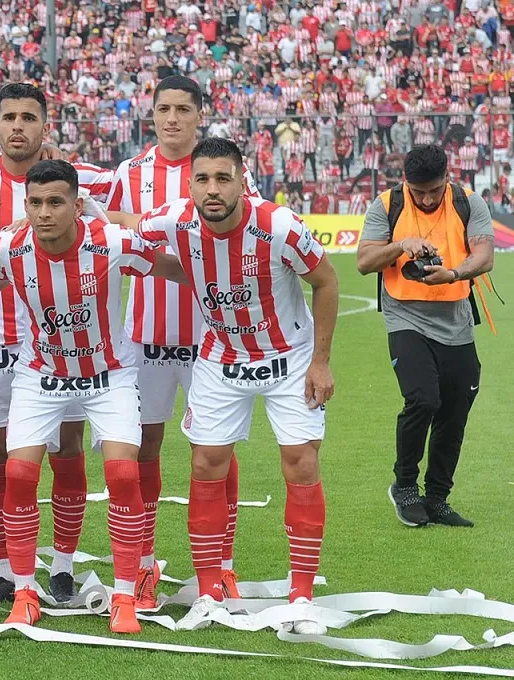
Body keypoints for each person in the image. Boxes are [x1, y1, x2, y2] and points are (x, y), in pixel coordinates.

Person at [0, 160, 187, 633]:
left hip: (108, 375)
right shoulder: (13, 248)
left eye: (55, 202)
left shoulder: (113, 242)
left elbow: (172, 269)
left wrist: (227, 282)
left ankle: (122, 596)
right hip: (41, 375)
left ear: (78, 206)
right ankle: (24, 593)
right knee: (17, 474)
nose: (43, 213)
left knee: (122, 473)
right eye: (34, 203)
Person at [136, 138, 339, 635]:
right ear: (190, 183)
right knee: (206, 464)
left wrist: (321, 362)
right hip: (221, 357)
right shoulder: (171, 220)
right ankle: (208, 593)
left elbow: (327, 281)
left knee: (301, 462)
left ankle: (302, 595)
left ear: (242, 179)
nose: (212, 189)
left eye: (222, 178)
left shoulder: (279, 225)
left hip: (288, 359)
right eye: (202, 179)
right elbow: (123, 234)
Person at [0, 82, 118, 606]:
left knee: (65, 452)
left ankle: (62, 566)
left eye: (29, 117)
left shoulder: (79, 179)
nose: (18, 126)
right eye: (9, 117)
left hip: (64, 347)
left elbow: (142, 186)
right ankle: (5, 569)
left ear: (46, 124)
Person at [103, 75, 259, 610]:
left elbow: (248, 229)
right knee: (143, 448)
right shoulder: (131, 172)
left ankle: (221, 567)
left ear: (199, 114)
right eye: (163, 109)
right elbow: (119, 229)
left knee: (213, 452)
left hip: (211, 340)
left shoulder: (223, 168)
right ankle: (144, 565)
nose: (172, 118)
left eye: (182, 110)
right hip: (144, 337)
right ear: (152, 114)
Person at [355, 144, 495, 528]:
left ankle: (437, 499)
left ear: (448, 177)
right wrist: (401, 245)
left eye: (435, 190)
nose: (428, 198)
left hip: (456, 320)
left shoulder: (469, 202)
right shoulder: (387, 205)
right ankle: (404, 486)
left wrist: (452, 274)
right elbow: (365, 262)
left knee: (455, 410)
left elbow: (485, 255)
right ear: (406, 182)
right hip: (405, 317)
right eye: (420, 193)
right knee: (422, 398)